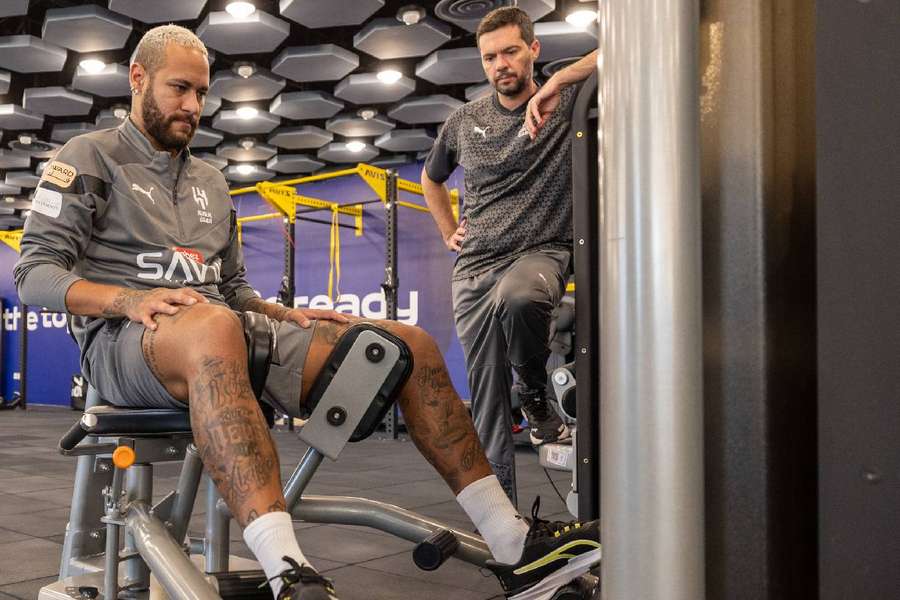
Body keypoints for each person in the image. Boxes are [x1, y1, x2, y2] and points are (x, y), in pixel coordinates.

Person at [13, 25, 600, 600]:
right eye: (178, 89)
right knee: (215, 327)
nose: (193, 106)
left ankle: (513, 547)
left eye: (201, 93)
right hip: (124, 345)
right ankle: (289, 572)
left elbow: (233, 290)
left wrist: (284, 314)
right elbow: (34, 273)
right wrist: (130, 300)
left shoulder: (211, 181)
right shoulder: (87, 157)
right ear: (137, 79)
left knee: (407, 345)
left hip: (221, 332)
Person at [421, 7, 598, 502]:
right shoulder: (463, 121)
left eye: (511, 51)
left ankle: (537, 401)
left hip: (541, 250)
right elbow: (431, 179)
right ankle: (505, 527)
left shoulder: (566, 101)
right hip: (475, 266)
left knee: (522, 297)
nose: (501, 64)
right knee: (487, 407)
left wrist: (560, 79)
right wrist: (447, 230)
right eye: (490, 57)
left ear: (533, 50)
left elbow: (621, 51)